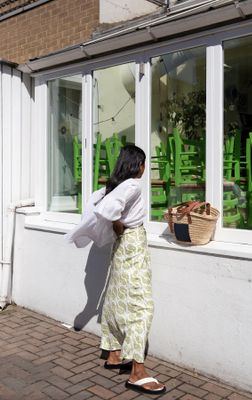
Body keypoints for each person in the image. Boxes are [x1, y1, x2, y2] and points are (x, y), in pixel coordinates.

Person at [65, 144, 165, 395]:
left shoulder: (114, 187)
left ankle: (112, 352)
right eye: (144, 164)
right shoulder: (132, 185)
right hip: (132, 245)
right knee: (141, 306)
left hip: (122, 247)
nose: (145, 169)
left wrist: (117, 227)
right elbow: (106, 210)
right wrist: (119, 226)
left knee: (116, 298)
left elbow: (97, 202)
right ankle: (137, 372)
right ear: (137, 165)